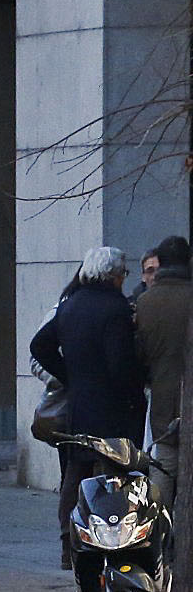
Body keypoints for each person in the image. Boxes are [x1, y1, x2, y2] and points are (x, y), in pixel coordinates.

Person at [32, 246, 148, 565]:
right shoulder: (116, 309)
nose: (124, 280)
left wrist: (71, 376)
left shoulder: (71, 305)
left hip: (80, 407)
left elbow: (39, 345)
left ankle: (69, 545)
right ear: (113, 275)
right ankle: (113, 544)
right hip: (113, 410)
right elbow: (120, 366)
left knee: (77, 474)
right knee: (116, 476)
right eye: (123, 274)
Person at [140, 237, 191, 505]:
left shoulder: (146, 303)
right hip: (187, 405)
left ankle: (160, 540)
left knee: (162, 476)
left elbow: (140, 357)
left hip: (162, 407)